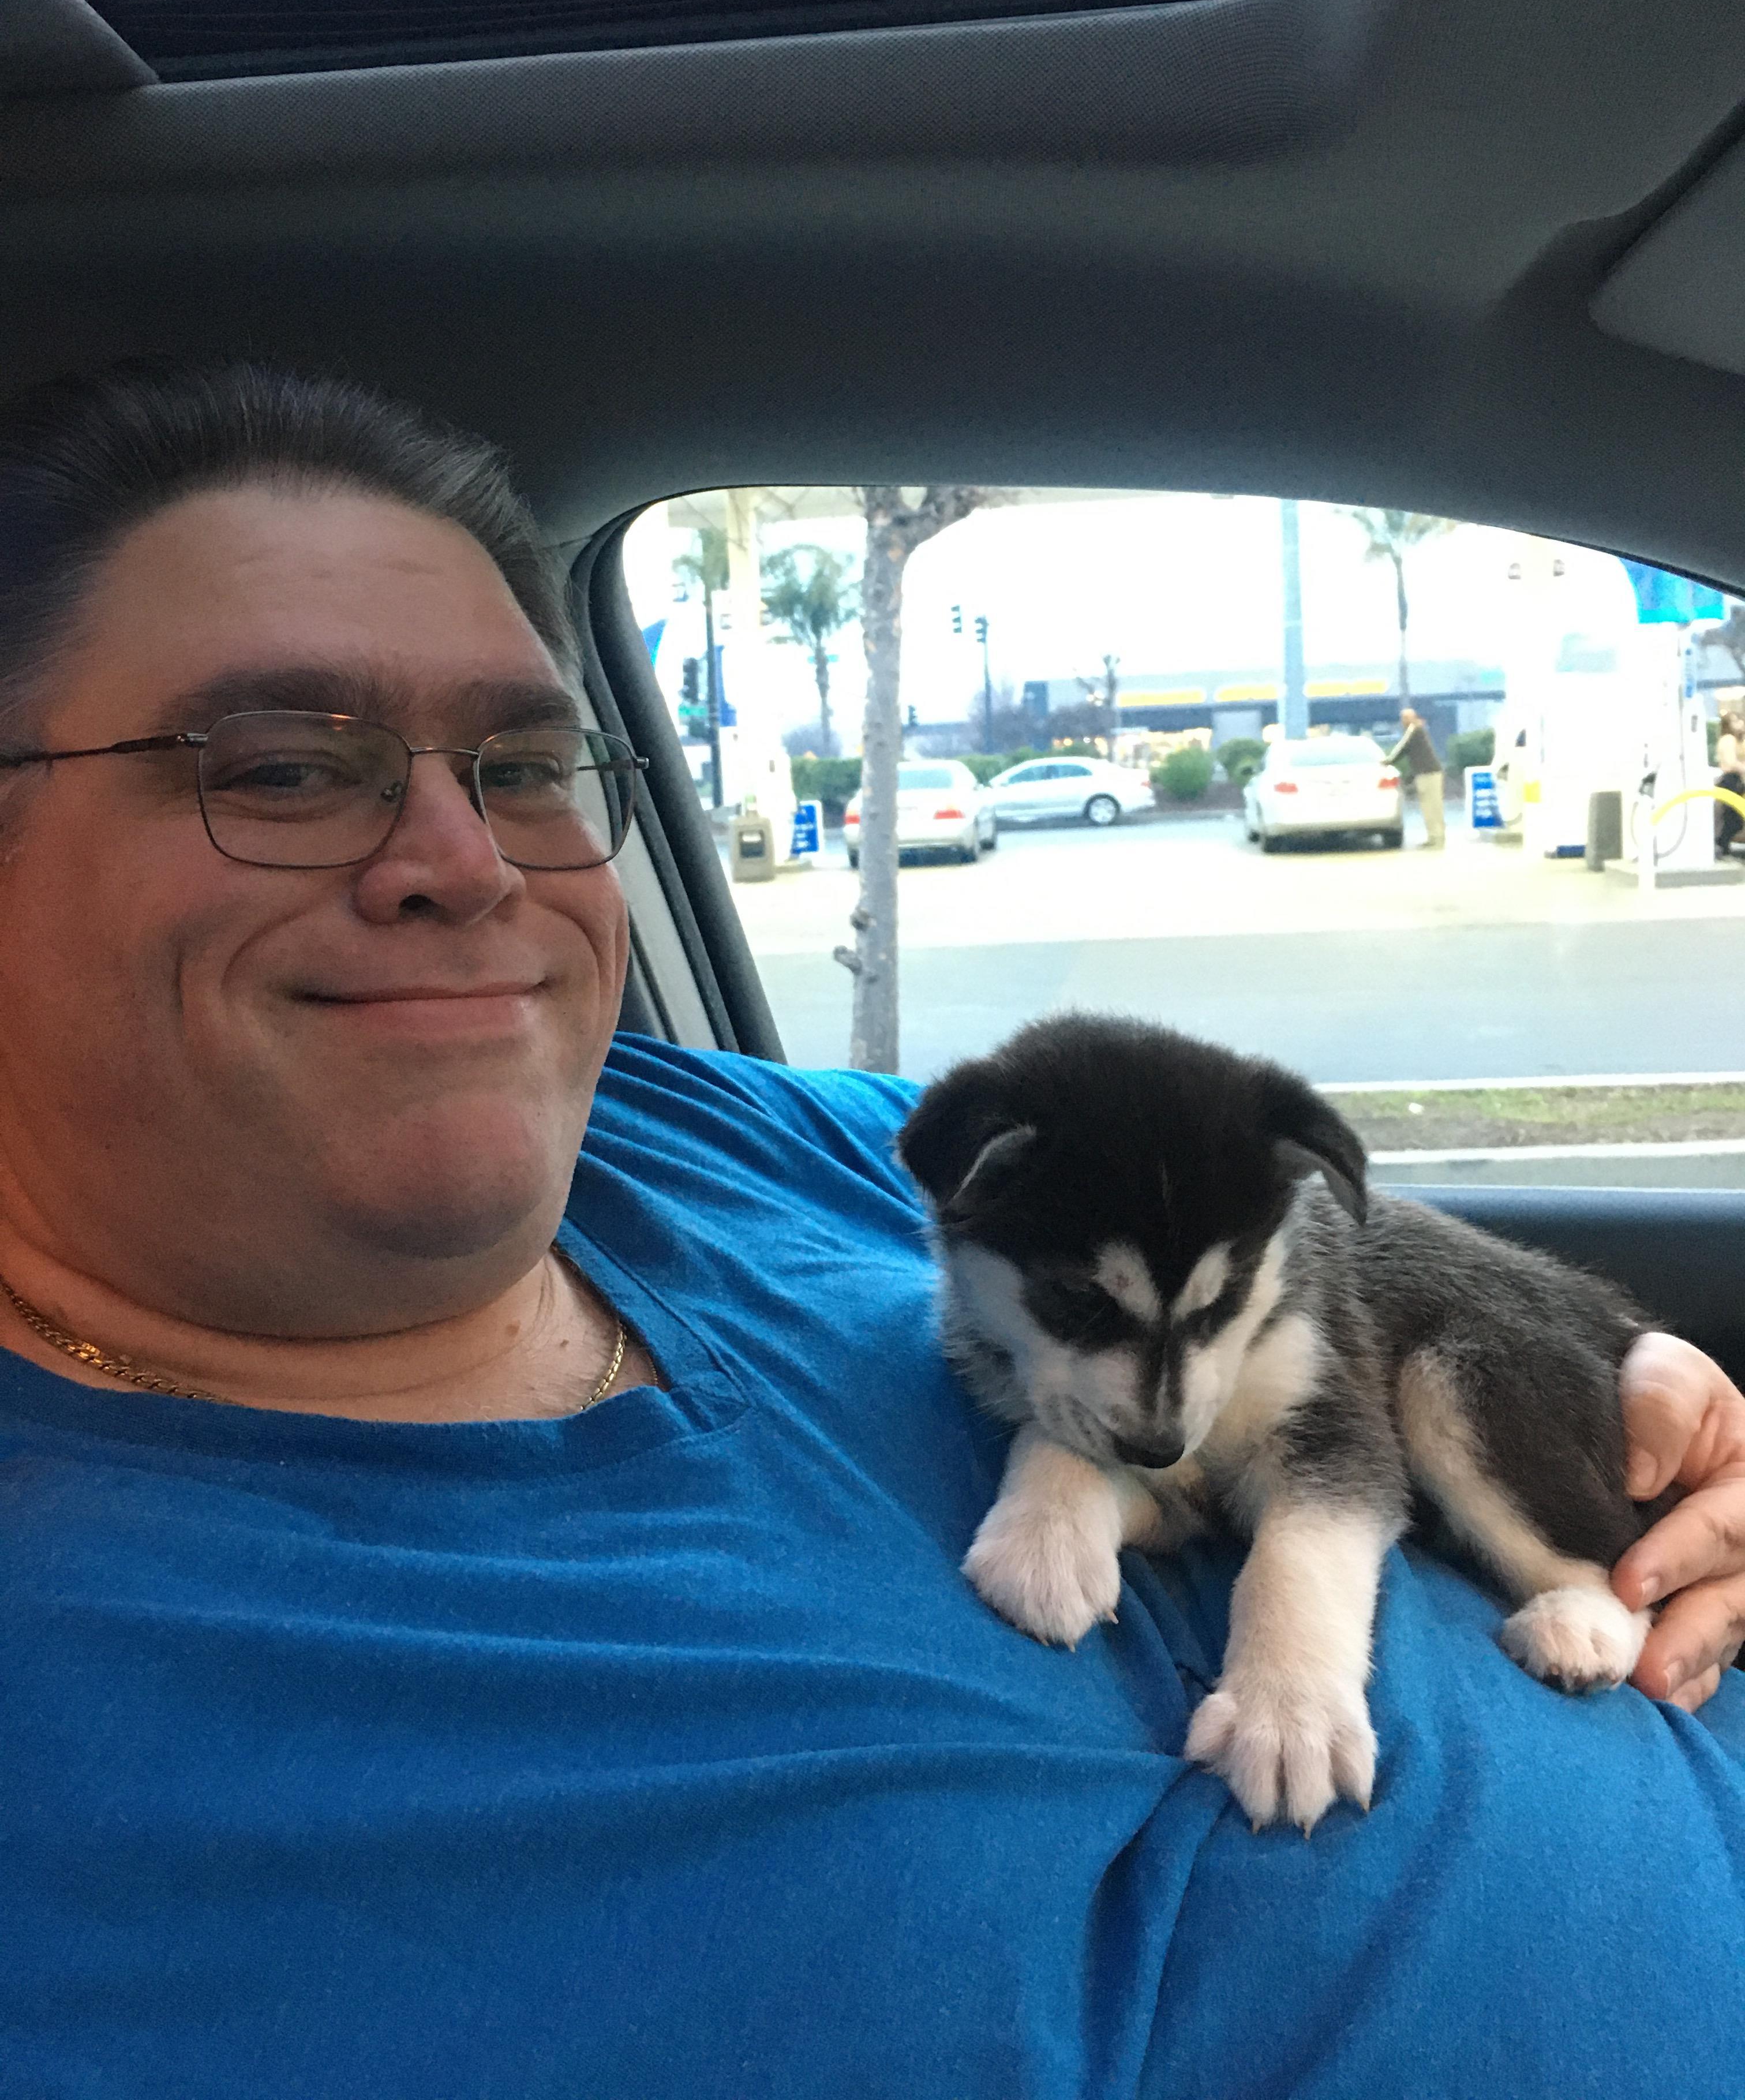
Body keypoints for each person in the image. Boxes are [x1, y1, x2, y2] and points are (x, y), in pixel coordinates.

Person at [0, 361, 1742, 2100]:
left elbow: (1281, 1244)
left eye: (526, 764)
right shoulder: (88, 1749)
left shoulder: (751, 1136)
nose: (468, 862)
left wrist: (1644, 1406)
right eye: (290, 769)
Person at [1385, 703, 1447, 847]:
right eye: (1403, 718)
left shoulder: (1413, 729)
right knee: (1435, 806)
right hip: (1431, 772)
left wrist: (1388, 761)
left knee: (1430, 806)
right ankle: (1437, 837)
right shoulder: (1418, 729)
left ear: (1411, 718)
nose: (1403, 721)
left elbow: (1401, 748)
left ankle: (1435, 839)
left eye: (1406, 718)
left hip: (1427, 774)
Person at [1714, 706, 1744, 855]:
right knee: (1733, 818)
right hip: (1731, 781)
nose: (1741, 724)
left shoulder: (1732, 740)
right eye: (1736, 721)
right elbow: (1732, 763)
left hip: (1731, 781)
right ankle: (1722, 846)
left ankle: (1723, 847)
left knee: (1730, 818)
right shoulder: (1729, 739)